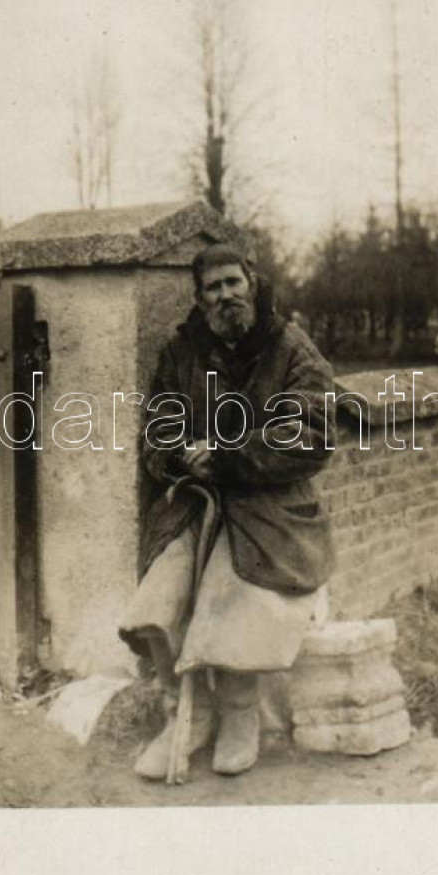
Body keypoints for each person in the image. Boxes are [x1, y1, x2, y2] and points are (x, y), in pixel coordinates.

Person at [119, 242, 336, 779]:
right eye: (213, 289)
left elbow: (313, 433)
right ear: (200, 298)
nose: (225, 297)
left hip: (269, 510)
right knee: (157, 600)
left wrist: (231, 456)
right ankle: (188, 718)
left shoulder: (290, 348)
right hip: (199, 504)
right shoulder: (182, 352)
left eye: (232, 283)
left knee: (233, 593)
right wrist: (180, 455)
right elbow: (156, 429)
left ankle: (241, 714)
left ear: (252, 283)